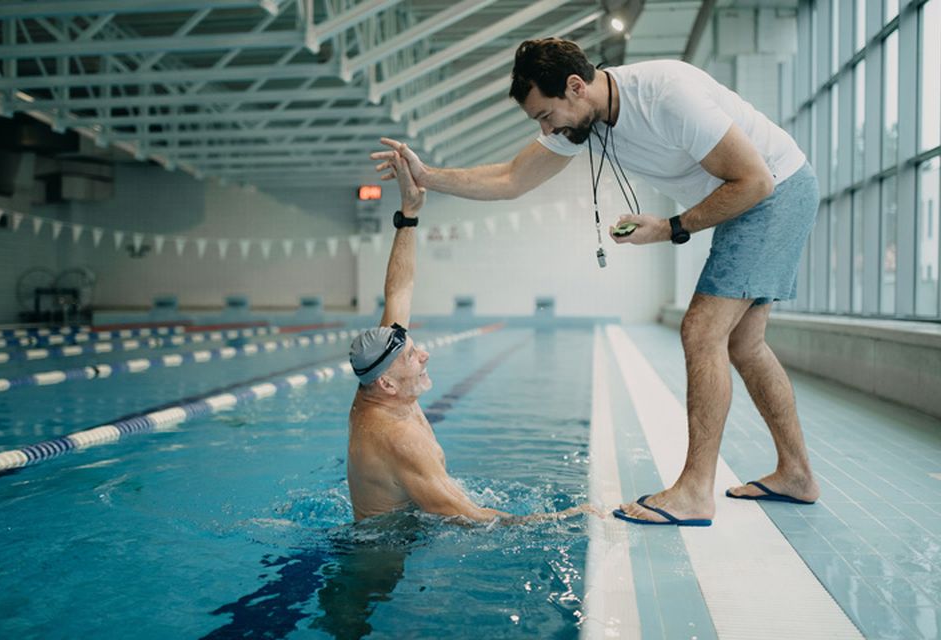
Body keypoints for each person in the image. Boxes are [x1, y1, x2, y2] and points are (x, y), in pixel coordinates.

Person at [371, 38, 821, 527]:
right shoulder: (585, 119)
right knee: (745, 344)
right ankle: (796, 473)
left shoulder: (667, 94)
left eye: (546, 116)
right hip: (757, 195)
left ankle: (694, 491)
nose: (547, 129)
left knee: (701, 330)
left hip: (774, 190)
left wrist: (671, 227)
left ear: (575, 86)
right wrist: (427, 177)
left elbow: (755, 182)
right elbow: (510, 179)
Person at [347, 148, 596, 524]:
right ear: (387, 384)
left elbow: (400, 288)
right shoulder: (399, 438)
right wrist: (566, 519)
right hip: (386, 555)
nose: (424, 355)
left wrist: (410, 214)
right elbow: (476, 520)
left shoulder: (378, 385)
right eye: (413, 356)